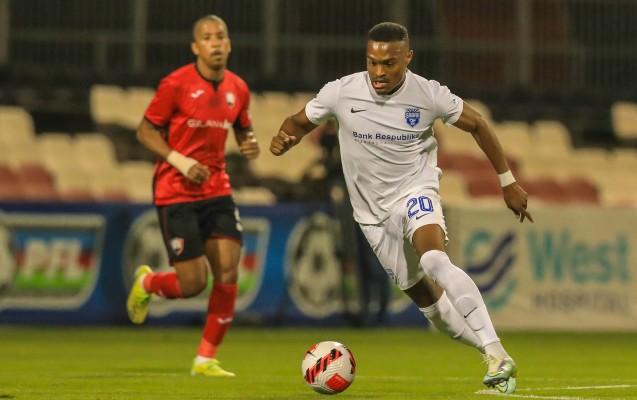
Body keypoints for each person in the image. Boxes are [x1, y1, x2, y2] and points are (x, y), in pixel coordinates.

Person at [270, 22, 533, 394]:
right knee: (430, 308)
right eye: (372, 62)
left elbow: (478, 124)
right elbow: (297, 122)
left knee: (434, 260)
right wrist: (286, 137)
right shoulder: (341, 92)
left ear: (407, 57)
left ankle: (495, 354)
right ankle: (496, 355)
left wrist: (507, 181)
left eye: (389, 63)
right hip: (372, 217)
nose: (379, 71)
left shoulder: (428, 94)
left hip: (415, 193)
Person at [126, 14, 259, 378]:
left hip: (217, 188)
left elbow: (243, 127)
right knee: (193, 284)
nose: (215, 42)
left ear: (229, 44)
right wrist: (181, 162)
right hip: (176, 190)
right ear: (195, 47)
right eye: (207, 37)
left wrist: (248, 143)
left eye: (220, 36)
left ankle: (205, 359)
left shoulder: (238, 88)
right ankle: (148, 283)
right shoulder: (175, 84)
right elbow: (144, 131)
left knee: (228, 270)